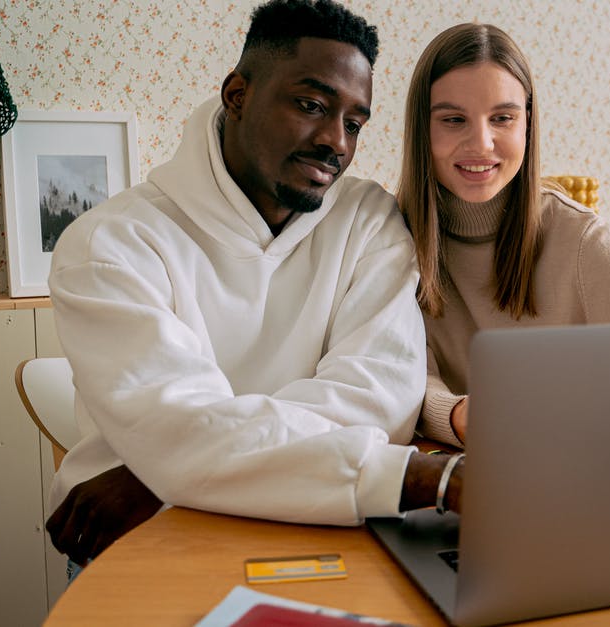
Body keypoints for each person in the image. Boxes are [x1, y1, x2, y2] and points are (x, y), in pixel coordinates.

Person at [44, 0, 465, 569]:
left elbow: (379, 401)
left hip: (309, 530)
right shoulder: (112, 243)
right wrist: (182, 455)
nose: (335, 142)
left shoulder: (368, 220)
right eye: (312, 105)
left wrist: (172, 469)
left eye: (355, 123)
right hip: (153, 540)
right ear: (237, 95)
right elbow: (177, 425)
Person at [398, 23, 610, 447]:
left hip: (584, 464)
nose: (481, 143)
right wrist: (458, 415)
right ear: (423, 128)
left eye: (502, 118)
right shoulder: (390, 238)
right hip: (456, 473)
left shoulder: (581, 239)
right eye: (454, 120)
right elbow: (403, 375)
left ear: (527, 125)